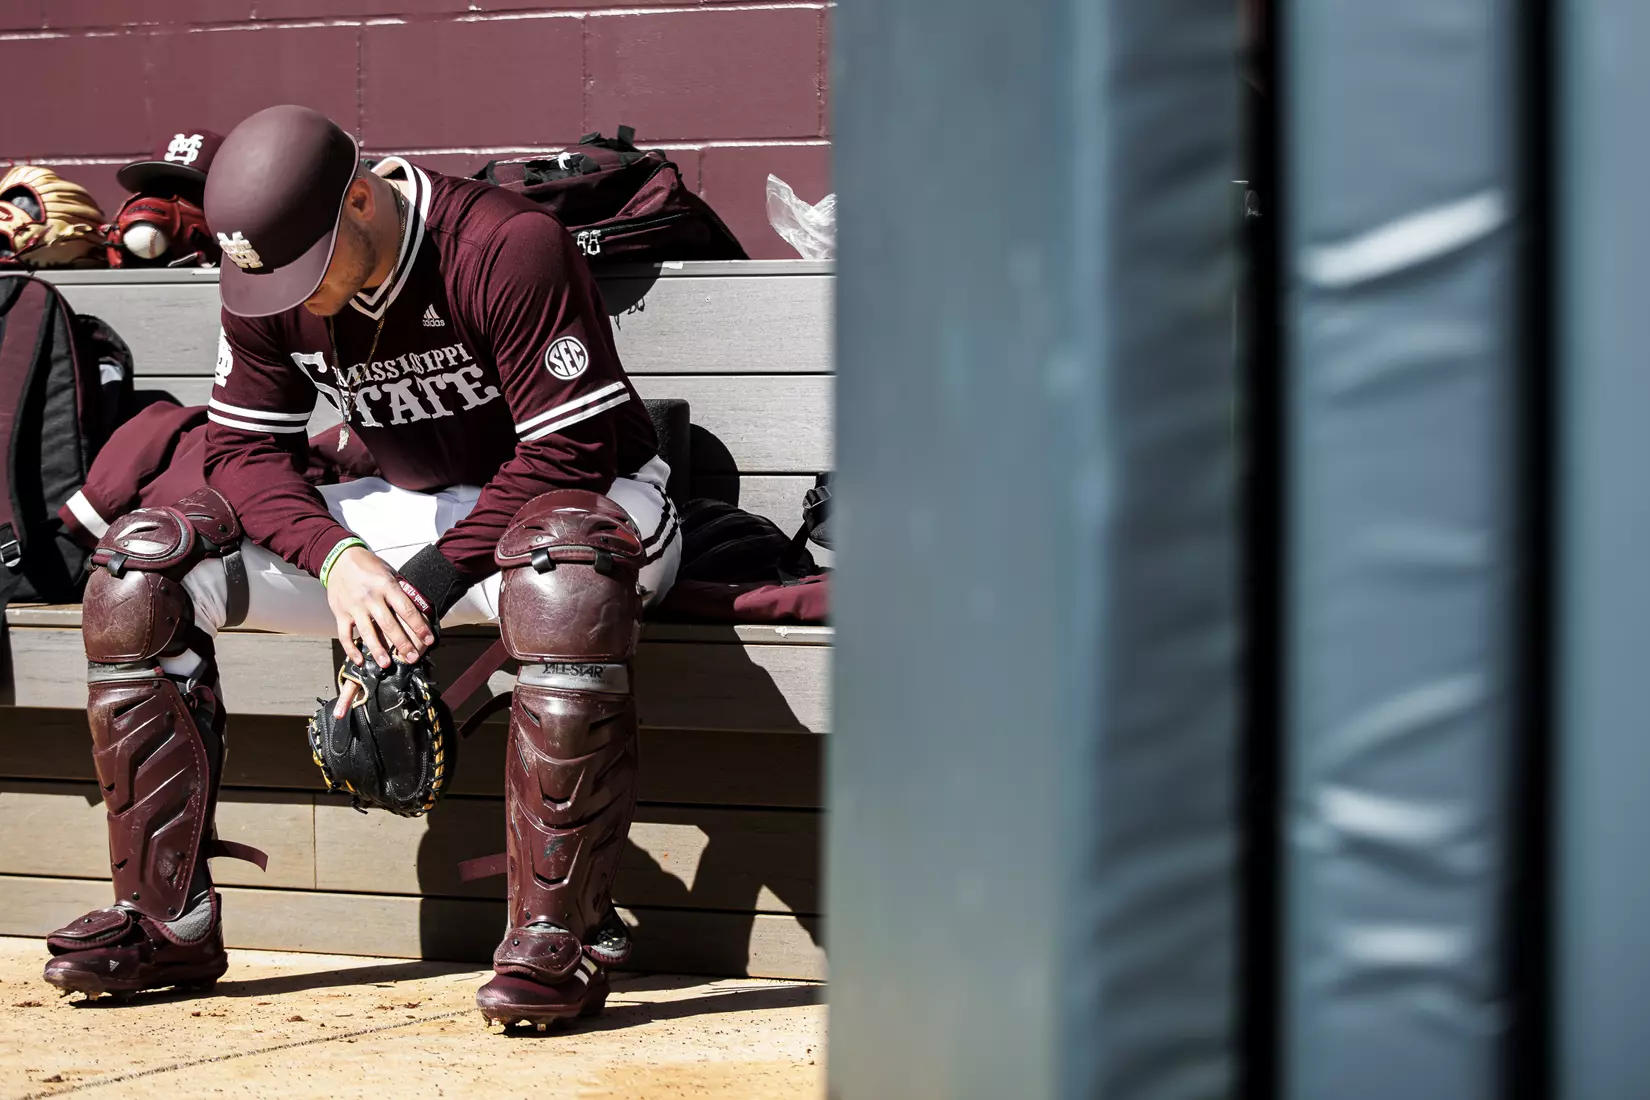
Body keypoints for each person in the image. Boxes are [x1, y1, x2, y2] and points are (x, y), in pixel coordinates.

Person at [39, 105, 680, 1028]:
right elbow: (242, 454)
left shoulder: (506, 245)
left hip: (589, 500)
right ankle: (166, 921)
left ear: (366, 199)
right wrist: (338, 560)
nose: (295, 293)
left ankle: (561, 941)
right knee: (141, 576)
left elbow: (569, 452)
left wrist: (423, 578)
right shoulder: (264, 267)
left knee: (561, 574)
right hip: (415, 508)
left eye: (311, 266)